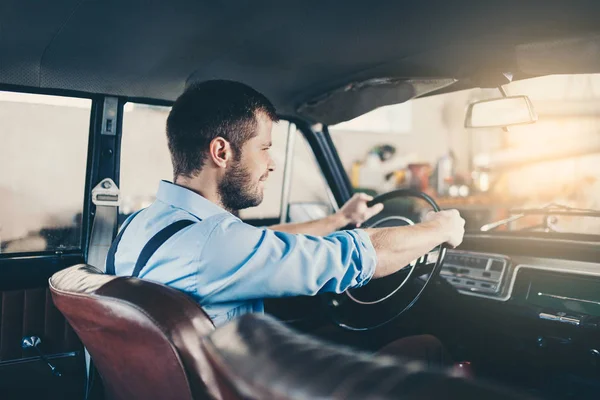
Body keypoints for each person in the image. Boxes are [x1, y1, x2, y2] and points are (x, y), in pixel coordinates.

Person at [110, 80, 465, 365]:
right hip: (244, 385)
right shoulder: (215, 245)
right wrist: (439, 229)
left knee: (337, 337)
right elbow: (357, 257)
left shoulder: (140, 227)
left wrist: (340, 219)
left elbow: (258, 241)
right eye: (264, 148)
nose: (271, 163)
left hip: (212, 380)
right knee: (426, 349)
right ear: (221, 152)